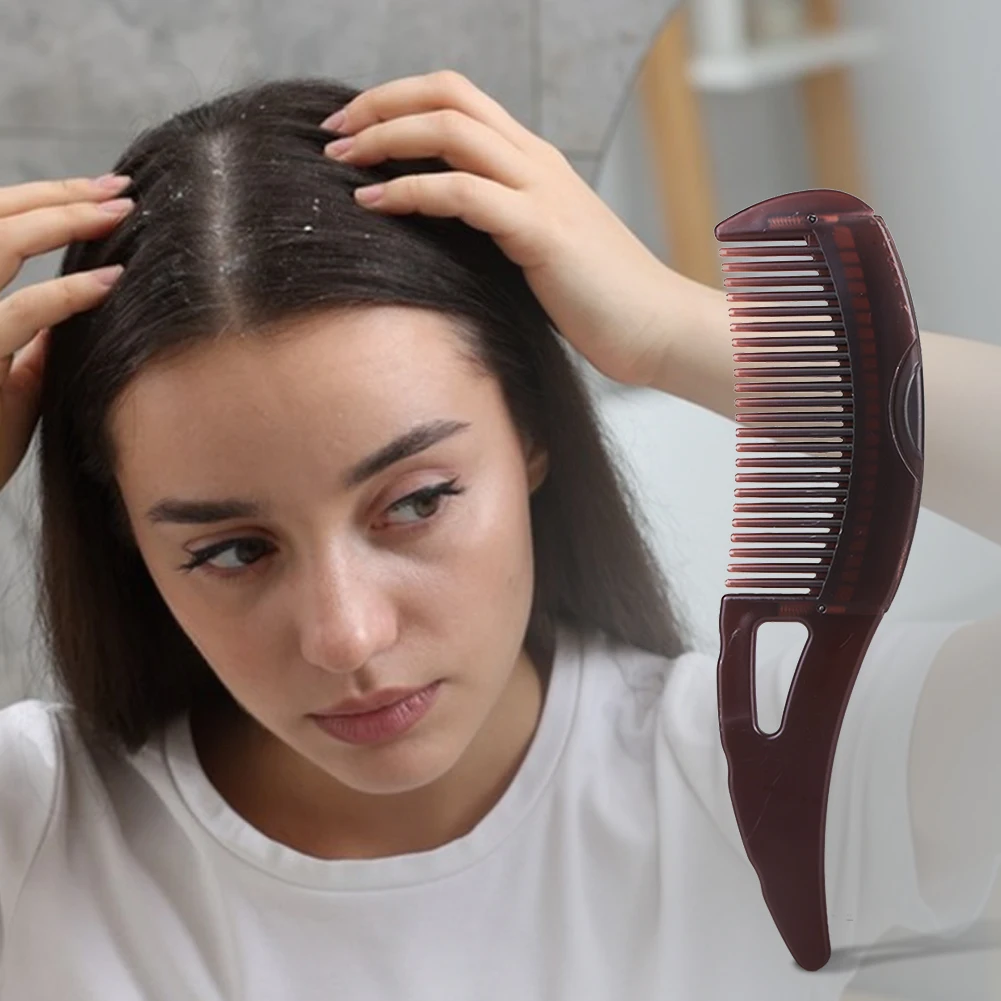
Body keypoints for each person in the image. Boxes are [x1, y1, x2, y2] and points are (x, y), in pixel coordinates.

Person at [0, 70, 997, 999]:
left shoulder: (770, 771)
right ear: (127, 537)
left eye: (417, 500)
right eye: (232, 549)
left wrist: (674, 328)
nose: (346, 635)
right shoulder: (37, 835)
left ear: (529, 435)